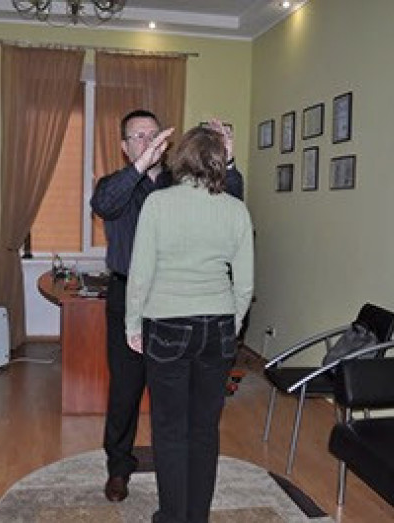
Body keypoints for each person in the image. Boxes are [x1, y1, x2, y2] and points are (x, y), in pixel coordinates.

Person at [90, 110, 243, 503]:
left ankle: (178, 475)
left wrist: (226, 161)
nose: (148, 142)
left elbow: (231, 201)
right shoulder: (116, 185)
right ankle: (119, 468)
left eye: (154, 135)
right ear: (124, 147)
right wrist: (140, 167)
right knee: (125, 391)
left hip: (178, 308)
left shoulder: (182, 184)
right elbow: (104, 205)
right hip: (129, 296)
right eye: (138, 137)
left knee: (181, 406)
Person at [124, 126, 254, 523]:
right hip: (218, 326)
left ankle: (173, 516)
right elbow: (245, 283)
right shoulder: (235, 209)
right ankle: (197, 516)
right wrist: (231, 324)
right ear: (218, 161)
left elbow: (140, 273)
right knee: (204, 428)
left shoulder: (159, 203)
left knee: (169, 429)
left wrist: (132, 324)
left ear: (180, 158)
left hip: (167, 326)